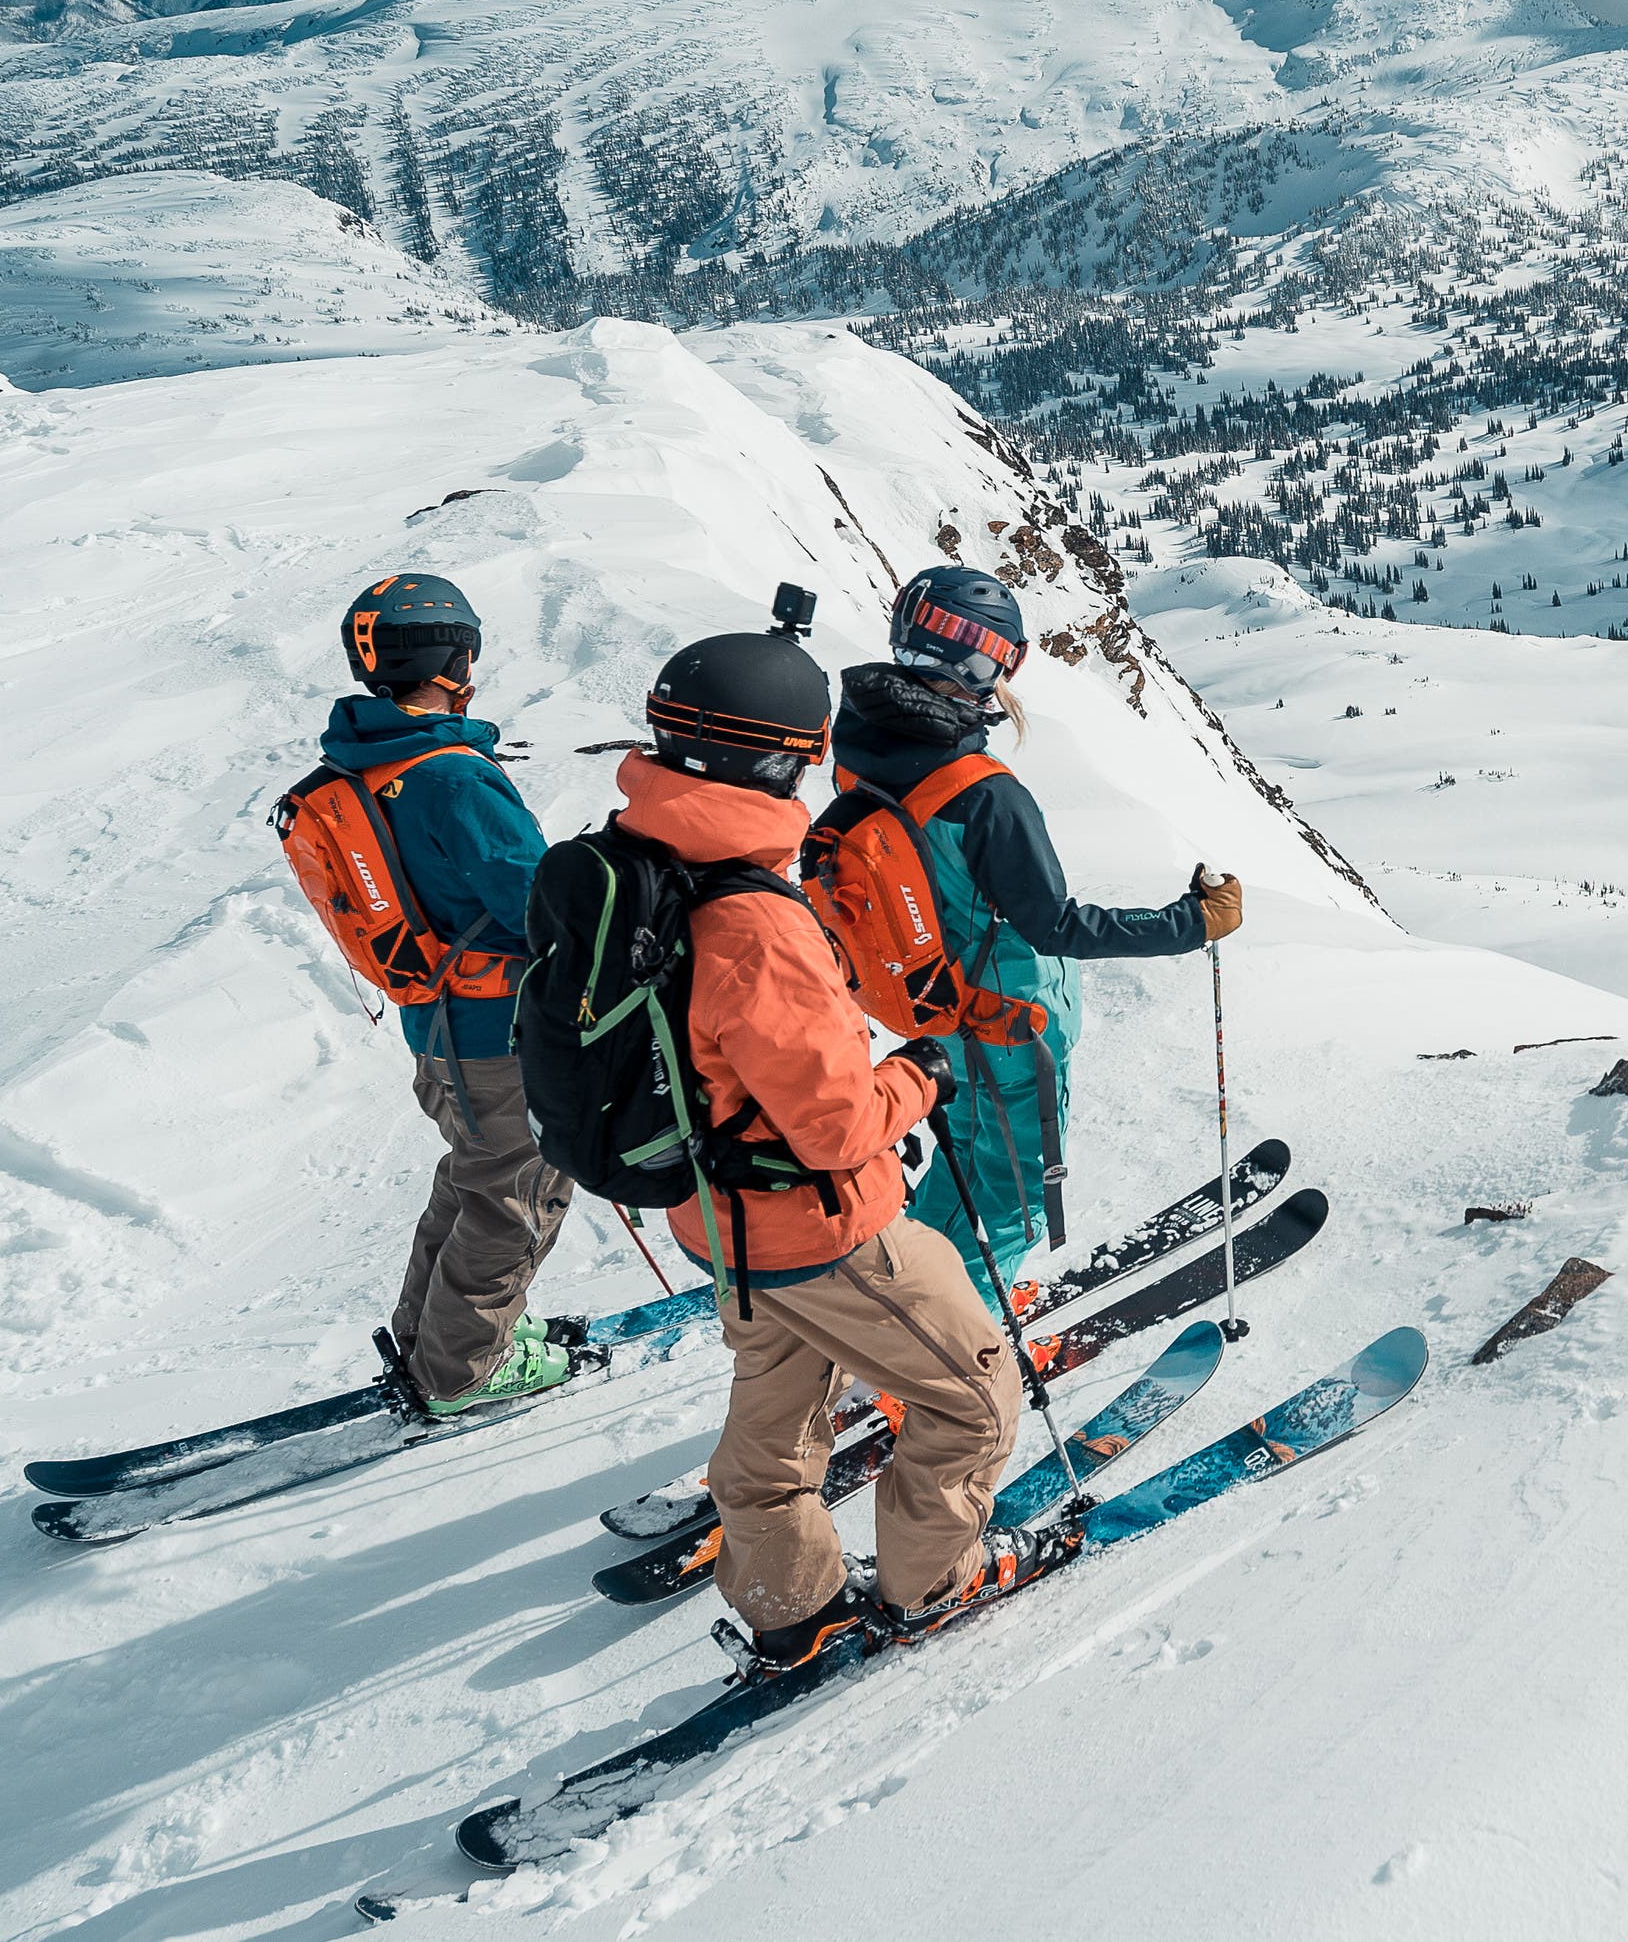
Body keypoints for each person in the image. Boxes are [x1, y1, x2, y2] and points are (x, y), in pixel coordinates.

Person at [612, 615, 1040, 1666]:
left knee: (775, 1426)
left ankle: (790, 1607)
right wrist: (920, 1071)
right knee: (978, 1399)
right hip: (825, 1228)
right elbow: (839, 1124)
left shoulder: (637, 856)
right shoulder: (754, 919)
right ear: (784, 758)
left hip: (717, 1218)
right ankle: (930, 1584)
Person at [827, 566, 1241, 1293]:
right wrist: (1191, 923)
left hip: (934, 1007)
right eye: (999, 657)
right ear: (978, 661)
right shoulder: (981, 792)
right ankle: (952, 1351)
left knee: (961, 1162)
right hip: (1011, 1023)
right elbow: (1055, 924)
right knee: (1013, 1201)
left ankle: (901, 1303)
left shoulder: (860, 746)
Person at [312, 574, 573, 1416]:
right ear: (453, 657)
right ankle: (464, 1370)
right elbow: (539, 904)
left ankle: (436, 1340)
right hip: (497, 1030)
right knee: (520, 1193)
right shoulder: (453, 775)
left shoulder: (369, 758)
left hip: (437, 1024)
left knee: (477, 1177)